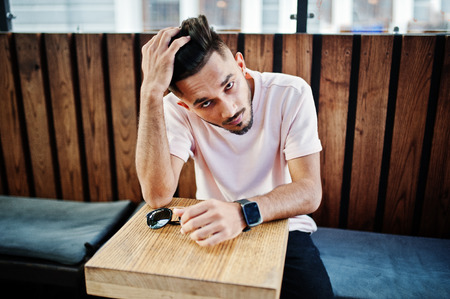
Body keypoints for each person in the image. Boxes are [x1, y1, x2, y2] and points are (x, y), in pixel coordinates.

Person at [136, 15, 334, 298]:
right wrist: (150, 93)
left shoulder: (291, 93)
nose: (229, 110)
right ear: (185, 105)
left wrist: (242, 212)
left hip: (285, 228)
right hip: (212, 231)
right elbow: (157, 196)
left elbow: (309, 192)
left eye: (229, 85)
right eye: (206, 103)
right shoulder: (174, 109)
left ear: (240, 65)